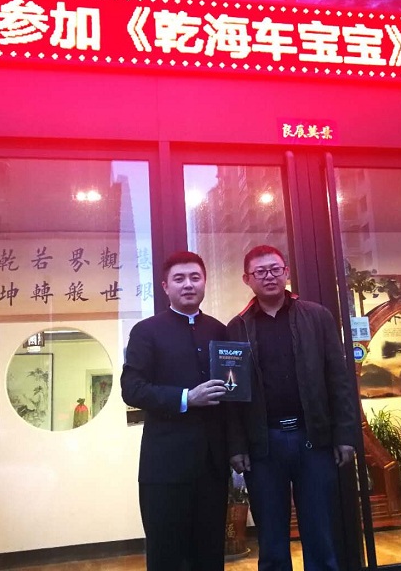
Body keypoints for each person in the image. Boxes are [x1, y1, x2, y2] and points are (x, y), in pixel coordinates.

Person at [227, 245, 357, 571]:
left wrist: (345, 434)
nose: (269, 276)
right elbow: (232, 395)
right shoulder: (237, 327)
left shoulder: (317, 316)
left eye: (275, 269)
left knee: (320, 534)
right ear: (247, 279)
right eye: (260, 272)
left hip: (313, 439)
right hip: (263, 446)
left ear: (286, 272)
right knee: (271, 539)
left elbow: (338, 379)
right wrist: (237, 445)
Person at [121, 251, 229, 571]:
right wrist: (186, 397)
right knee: (166, 554)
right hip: (164, 466)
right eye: (179, 279)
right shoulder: (146, 331)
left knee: (210, 553)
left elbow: (233, 393)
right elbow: (132, 389)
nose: (188, 285)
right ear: (165, 287)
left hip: (213, 464)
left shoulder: (219, 331)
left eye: (195, 277)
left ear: (205, 282)